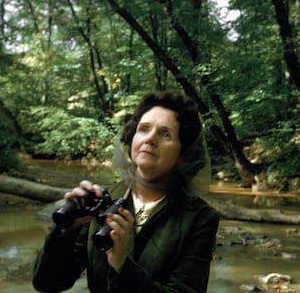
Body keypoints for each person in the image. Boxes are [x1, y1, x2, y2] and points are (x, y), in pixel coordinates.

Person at [32, 91, 220, 293]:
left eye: (165, 134)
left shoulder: (200, 218)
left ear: (183, 152)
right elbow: (48, 283)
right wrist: (65, 232)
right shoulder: (103, 200)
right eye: (144, 129)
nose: (150, 139)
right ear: (132, 138)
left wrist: (122, 265)